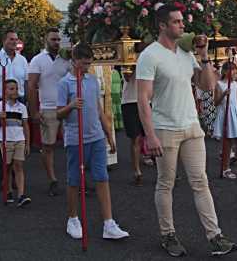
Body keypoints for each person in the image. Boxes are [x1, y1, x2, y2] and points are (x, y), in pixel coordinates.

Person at [137, 4, 237, 257]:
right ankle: (167, 234)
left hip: (192, 126)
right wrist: (150, 134)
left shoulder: (185, 52)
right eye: (177, 22)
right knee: (166, 184)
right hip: (165, 128)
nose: (183, 25)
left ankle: (215, 236)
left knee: (200, 182)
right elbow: (143, 98)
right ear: (162, 25)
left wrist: (203, 56)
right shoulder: (150, 55)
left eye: (183, 21)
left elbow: (206, 85)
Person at [57, 43, 129, 241]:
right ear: (74, 61)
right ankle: (72, 218)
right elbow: (58, 113)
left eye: (89, 64)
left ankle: (108, 223)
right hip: (75, 139)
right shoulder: (65, 83)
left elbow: (98, 109)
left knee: (102, 178)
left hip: (96, 137)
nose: (87, 67)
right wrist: (71, 106)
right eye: (84, 64)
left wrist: (108, 135)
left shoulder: (91, 81)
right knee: (74, 180)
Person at [28, 28, 72, 196]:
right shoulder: (37, 60)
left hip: (66, 107)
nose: (56, 42)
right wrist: (34, 111)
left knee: (72, 143)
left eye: (58, 39)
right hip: (47, 107)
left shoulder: (66, 59)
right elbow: (31, 86)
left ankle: (74, 178)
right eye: (53, 39)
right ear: (45, 40)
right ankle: (52, 180)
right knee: (48, 146)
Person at [0, 30, 29, 192]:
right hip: (0, 103)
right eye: (11, 39)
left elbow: (26, 83)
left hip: (19, 103)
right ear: (4, 40)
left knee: (18, 141)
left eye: (16, 39)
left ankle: (16, 179)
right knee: (0, 143)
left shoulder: (23, 60)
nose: (14, 42)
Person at [0, 79, 31, 206]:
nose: (15, 91)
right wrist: (0, 118)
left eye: (16, 88)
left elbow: (25, 126)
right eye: (11, 89)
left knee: (19, 165)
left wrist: (27, 143)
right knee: (7, 166)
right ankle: (8, 190)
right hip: (5, 139)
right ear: (5, 91)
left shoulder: (22, 107)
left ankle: (21, 195)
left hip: (19, 138)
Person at [213, 61, 237, 179]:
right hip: (225, 112)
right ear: (226, 71)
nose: (234, 73)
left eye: (235, 70)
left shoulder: (236, 84)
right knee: (228, 142)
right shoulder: (219, 84)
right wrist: (223, 95)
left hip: (236, 113)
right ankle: (225, 169)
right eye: (231, 70)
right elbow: (215, 102)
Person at [120, 68, 148, 186]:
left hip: (147, 100)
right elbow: (127, 76)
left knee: (154, 135)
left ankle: (165, 169)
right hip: (130, 101)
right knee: (135, 137)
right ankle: (137, 172)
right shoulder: (128, 56)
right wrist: (135, 64)